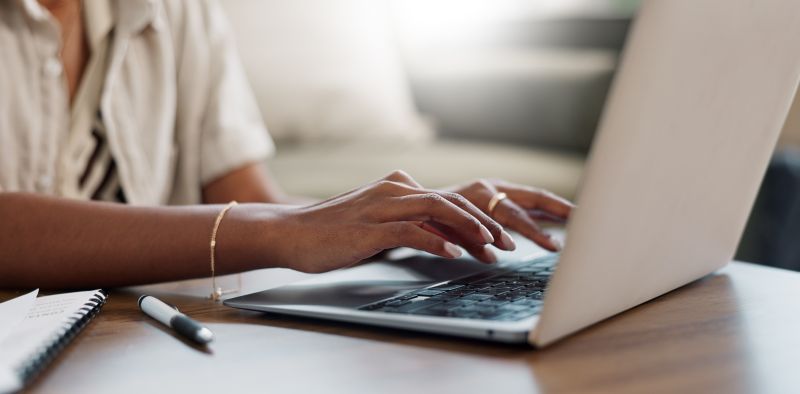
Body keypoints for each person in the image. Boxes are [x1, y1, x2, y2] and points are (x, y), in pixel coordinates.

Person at [0, 0, 573, 290]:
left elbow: (247, 194)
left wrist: (407, 219)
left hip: (122, 336)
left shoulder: (178, 10)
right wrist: (278, 231)